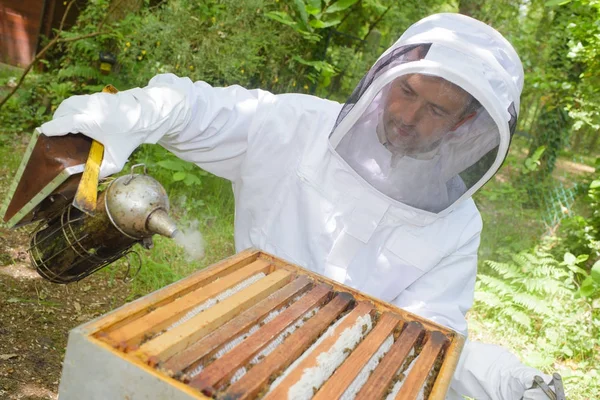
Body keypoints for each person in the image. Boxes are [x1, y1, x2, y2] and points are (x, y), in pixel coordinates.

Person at [41, 13, 557, 399]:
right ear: (387, 78)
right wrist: (115, 117)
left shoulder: (458, 223)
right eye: (406, 92)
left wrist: (504, 380)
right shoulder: (294, 125)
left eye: (436, 109)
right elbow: (188, 109)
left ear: (466, 124)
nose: (408, 115)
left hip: (339, 383)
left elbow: (427, 340)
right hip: (222, 349)